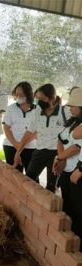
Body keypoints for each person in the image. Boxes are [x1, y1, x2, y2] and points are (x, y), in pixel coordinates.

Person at [25, 84, 65, 191]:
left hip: (56, 153)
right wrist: (18, 151)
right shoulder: (37, 110)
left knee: (51, 187)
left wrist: (62, 157)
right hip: (40, 150)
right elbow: (30, 131)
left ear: (51, 98)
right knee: (28, 179)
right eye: (37, 99)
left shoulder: (64, 112)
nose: (39, 102)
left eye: (42, 99)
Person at [56, 87, 82, 240]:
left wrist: (80, 168)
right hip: (67, 170)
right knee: (67, 208)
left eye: (73, 106)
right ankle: (67, 243)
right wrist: (60, 158)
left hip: (77, 173)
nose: (70, 108)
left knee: (78, 211)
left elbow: (75, 148)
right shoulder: (72, 123)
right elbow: (60, 139)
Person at [2, 81, 36, 173]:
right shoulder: (11, 108)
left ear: (28, 95)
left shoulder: (37, 110)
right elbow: (6, 128)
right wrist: (16, 144)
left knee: (32, 178)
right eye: (16, 94)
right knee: (14, 176)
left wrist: (21, 145)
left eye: (21, 94)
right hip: (11, 146)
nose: (18, 97)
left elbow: (36, 132)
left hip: (30, 147)